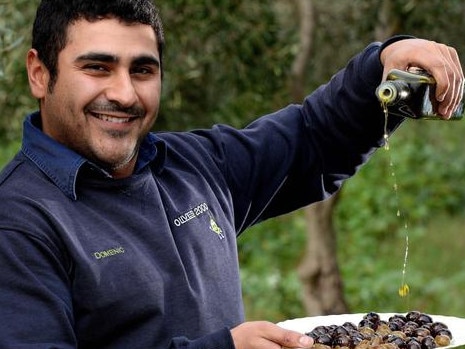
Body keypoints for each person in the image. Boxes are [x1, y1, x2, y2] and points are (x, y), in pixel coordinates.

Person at [0, 0, 462, 348]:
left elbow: (313, 138)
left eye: (143, 70)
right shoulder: (18, 222)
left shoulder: (192, 166)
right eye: (97, 67)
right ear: (40, 74)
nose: (123, 93)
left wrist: (386, 61)